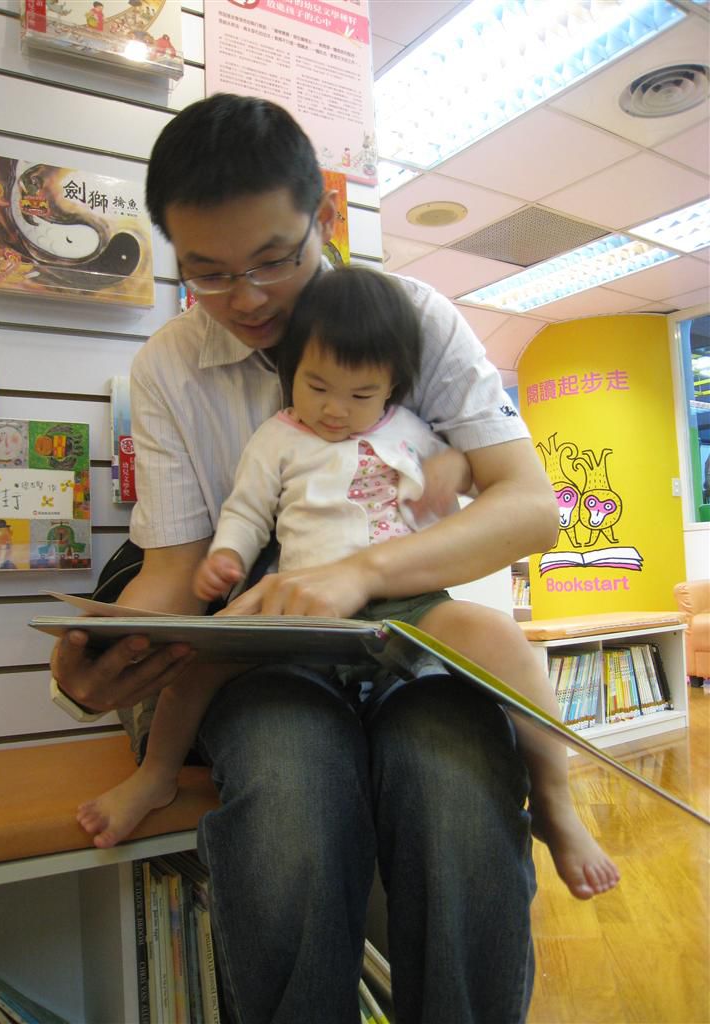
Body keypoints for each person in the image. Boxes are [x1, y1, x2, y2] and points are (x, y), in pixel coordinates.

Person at [52, 92, 564, 1023]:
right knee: (290, 793)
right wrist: (107, 656)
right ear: (173, 251)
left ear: (323, 216)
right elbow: (176, 566)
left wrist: (362, 573)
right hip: (267, 643)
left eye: (273, 260)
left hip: (407, 622)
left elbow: (530, 507)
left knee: (456, 793)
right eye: (208, 273)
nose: (246, 298)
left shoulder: (413, 317)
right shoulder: (169, 365)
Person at [77, 265, 619, 903]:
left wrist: (451, 471)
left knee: (501, 638)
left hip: (407, 602)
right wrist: (226, 557)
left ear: (392, 387)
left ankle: (554, 797)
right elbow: (247, 510)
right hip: (301, 602)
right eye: (317, 387)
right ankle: (156, 773)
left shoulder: (404, 427)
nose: (336, 410)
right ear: (292, 371)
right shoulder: (277, 436)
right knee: (203, 659)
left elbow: (469, 471)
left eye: (361, 395)